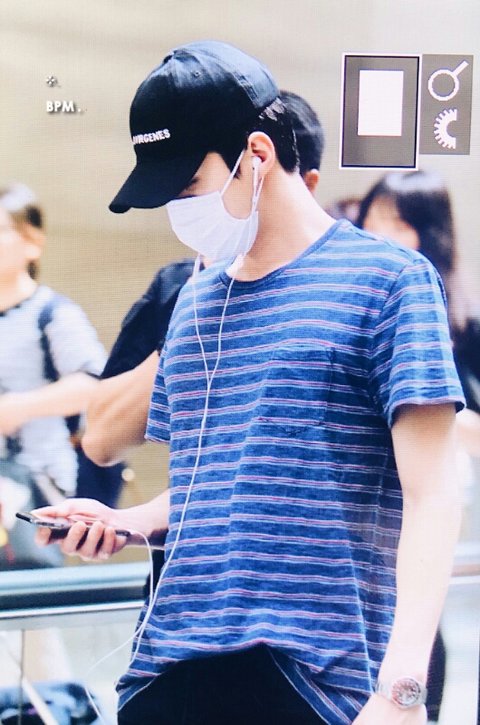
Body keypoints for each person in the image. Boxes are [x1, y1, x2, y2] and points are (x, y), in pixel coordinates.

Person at [36, 41, 465, 725]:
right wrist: (128, 522)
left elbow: (435, 493)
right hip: (166, 671)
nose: (180, 209)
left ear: (257, 154)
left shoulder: (389, 282)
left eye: (188, 187)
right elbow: (217, 478)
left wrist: (401, 690)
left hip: (315, 679)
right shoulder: (195, 302)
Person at [83, 88, 325, 470]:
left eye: (192, 185)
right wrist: (201, 316)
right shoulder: (183, 288)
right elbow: (100, 438)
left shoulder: (346, 289)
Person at [357, 170, 480, 722]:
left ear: (429, 231)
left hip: (430, 488)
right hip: (368, 488)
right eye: (373, 218)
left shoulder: (463, 322)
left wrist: (430, 418)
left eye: (397, 222)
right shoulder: (364, 302)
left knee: (417, 615)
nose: (379, 232)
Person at [0, 182, 106, 685]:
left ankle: (54, 709)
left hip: (32, 488)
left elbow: (94, 382)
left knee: (31, 628)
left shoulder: (52, 313)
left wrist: (15, 408)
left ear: (32, 242)